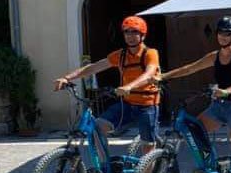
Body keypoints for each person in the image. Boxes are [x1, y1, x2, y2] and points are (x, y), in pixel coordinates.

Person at [158, 16, 231, 173]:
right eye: (220, 33)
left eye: (227, 34)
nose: (222, 37)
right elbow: (190, 68)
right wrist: (163, 76)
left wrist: (228, 90)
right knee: (195, 128)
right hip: (218, 106)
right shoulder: (214, 56)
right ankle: (215, 164)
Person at [54, 16, 161, 157]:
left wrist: (130, 86)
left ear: (143, 34)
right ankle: (105, 164)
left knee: (147, 146)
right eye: (126, 32)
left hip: (147, 106)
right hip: (127, 104)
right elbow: (93, 67)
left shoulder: (150, 53)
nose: (130, 36)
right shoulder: (121, 55)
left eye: (134, 32)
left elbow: (149, 73)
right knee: (98, 126)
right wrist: (67, 78)